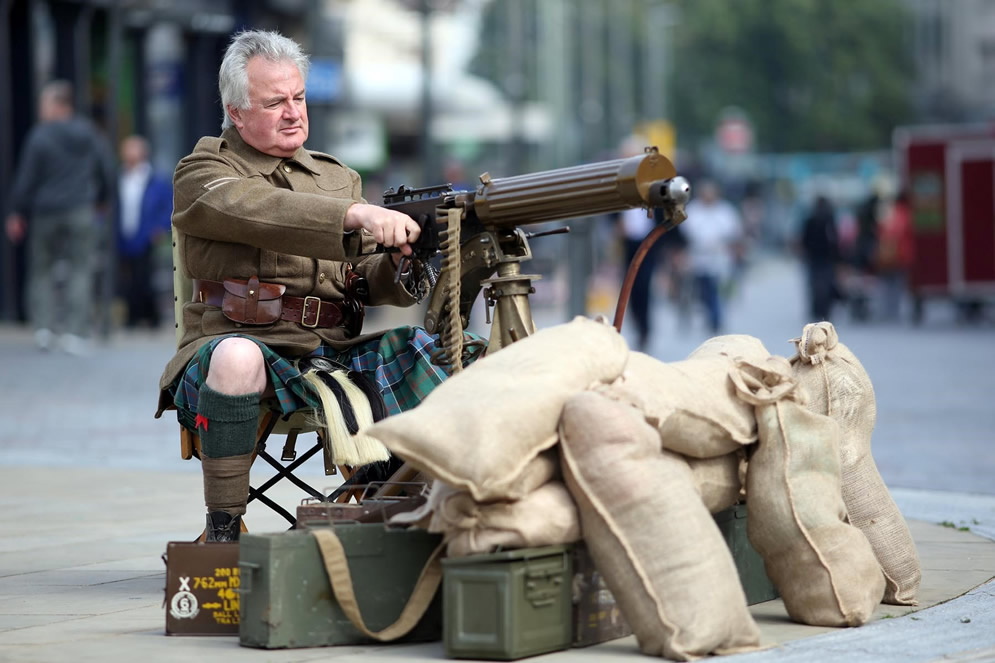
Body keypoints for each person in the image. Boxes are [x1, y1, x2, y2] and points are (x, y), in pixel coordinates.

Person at [154, 30, 476, 541]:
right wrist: (355, 214)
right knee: (237, 358)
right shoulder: (204, 171)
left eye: (299, 97)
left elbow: (367, 282)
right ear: (236, 111)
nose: (293, 112)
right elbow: (258, 211)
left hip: (335, 352)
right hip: (242, 347)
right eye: (275, 101)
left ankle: (395, 496)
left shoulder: (337, 176)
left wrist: (401, 257)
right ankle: (223, 531)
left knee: (454, 354)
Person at [4, 80, 115, 354]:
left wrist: (16, 211)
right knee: (80, 268)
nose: (42, 110)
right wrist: (101, 199)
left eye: (44, 104)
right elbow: (106, 168)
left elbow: (26, 178)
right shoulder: (89, 133)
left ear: (58, 105)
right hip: (80, 209)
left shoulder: (39, 136)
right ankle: (76, 333)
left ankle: (43, 329)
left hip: (45, 213)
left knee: (41, 268)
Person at [117, 135, 173, 328]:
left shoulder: (155, 180)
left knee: (145, 277)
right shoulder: (120, 178)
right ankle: (132, 316)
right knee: (127, 278)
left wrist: (159, 228)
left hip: (146, 236)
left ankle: (150, 316)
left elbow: (167, 206)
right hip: (125, 235)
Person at [681, 179, 743, 334]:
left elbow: (734, 233)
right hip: (700, 257)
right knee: (704, 290)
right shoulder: (693, 211)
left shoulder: (725, 211)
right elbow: (687, 233)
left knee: (718, 289)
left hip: (720, 257)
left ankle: (716, 318)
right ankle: (711, 315)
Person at [798, 195, 841, 322]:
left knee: (816, 286)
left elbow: (804, 240)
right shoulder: (828, 220)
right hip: (824, 258)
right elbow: (835, 241)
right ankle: (822, 311)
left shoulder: (812, 220)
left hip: (816, 258)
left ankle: (817, 311)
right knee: (824, 285)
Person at [876, 189, 915, 322]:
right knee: (897, 283)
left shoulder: (891, 214)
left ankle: (888, 310)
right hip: (901, 254)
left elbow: (882, 231)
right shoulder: (905, 214)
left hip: (890, 255)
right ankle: (893, 311)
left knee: (889, 284)